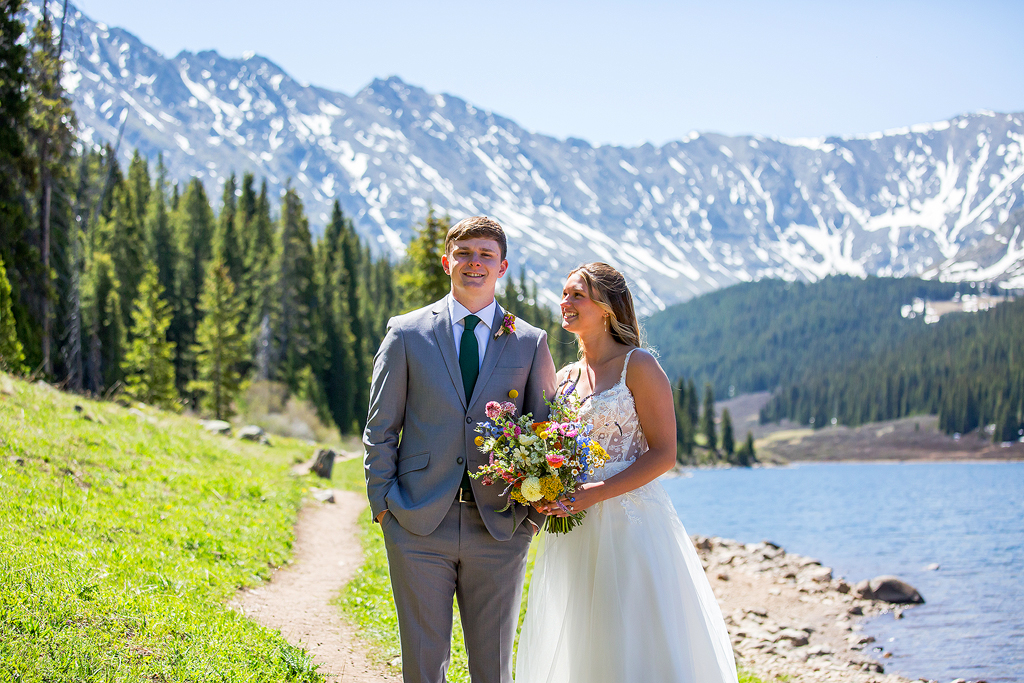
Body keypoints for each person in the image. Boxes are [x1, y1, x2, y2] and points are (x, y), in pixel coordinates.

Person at [516, 262, 739, 683]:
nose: (565, 303)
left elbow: (664, 454)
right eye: (563, 294)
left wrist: (597, 492)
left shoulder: (638, 366)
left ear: (606, 307)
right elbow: (552, 449)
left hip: (632, 524)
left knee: (634, 633)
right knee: (582, 632)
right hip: (574, 527)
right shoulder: (563, 377)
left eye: (576, 295)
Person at [364, 216, 557, 683]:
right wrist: (383, 506)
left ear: (502, 266)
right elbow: (381, 427)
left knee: (493, 668)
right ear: (447, 261)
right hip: (416, 522)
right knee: (423, 664)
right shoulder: (406, 333)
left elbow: (547, 433)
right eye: (465, 253)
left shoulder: (529, 341)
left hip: (499, 527)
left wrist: (531, 519)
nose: (475, 263)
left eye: (486, 255)